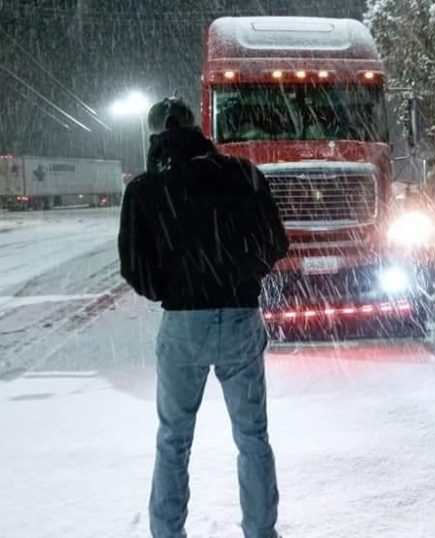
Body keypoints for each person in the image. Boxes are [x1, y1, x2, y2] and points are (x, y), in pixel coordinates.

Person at [118, 97, 287, 538]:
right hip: (239, 317)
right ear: (197, 128)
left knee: (173, 439)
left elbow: (134, 265)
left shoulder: (145, 190)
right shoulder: (242, 173)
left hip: (182, 324)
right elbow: (275, 241)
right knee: (252, 437)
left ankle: (167, 532)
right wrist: (241, 278)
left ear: (155, 135)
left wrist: (171, 289)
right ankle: (261, 531)